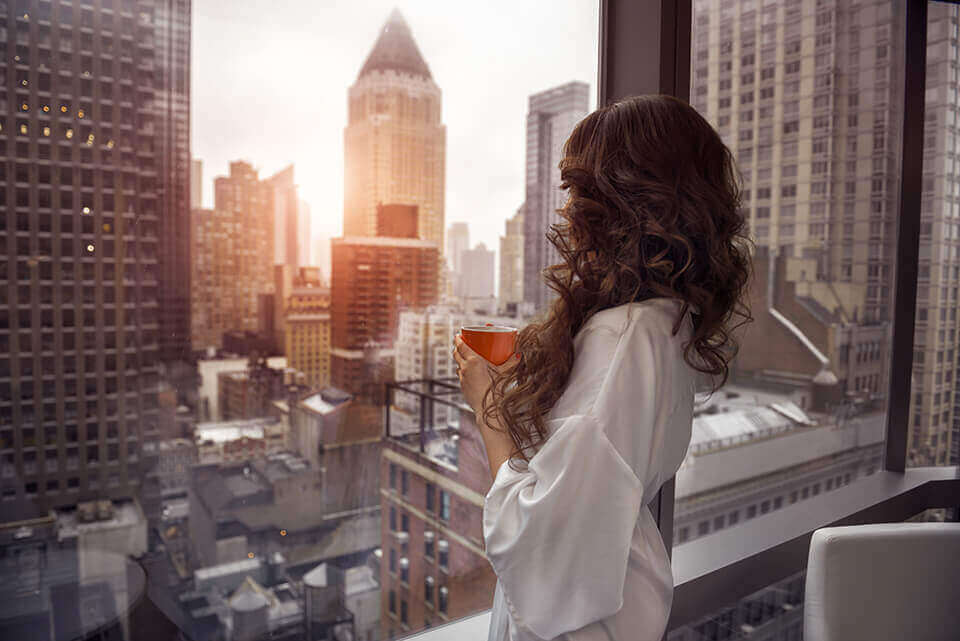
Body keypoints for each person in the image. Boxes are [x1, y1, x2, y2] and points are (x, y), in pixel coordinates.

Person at [452, 94, 753, 641]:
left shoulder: (623, 341)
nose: (567, 210)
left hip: (584, 621)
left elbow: (536, 537)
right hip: (613, 592)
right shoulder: (665, 324)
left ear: (619, 201)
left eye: (577, 190)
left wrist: (487, 406)